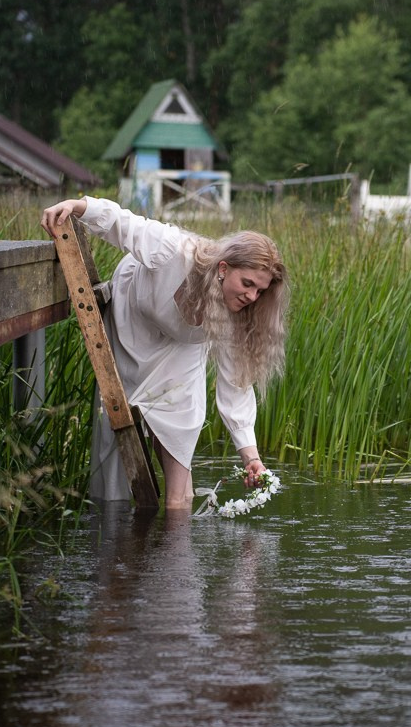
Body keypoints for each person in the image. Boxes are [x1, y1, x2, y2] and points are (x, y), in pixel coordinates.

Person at [41, 196, 288, 510]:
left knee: (184, 415)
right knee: (124, 407)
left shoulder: (238, 310)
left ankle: (176, 519)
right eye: (248, 283)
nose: (252, 296)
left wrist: (251, 457)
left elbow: (236, 385)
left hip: (182, 346)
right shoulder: (174, 251)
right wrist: (76, 206)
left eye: (260, 291)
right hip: (135, 317)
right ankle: (120, 520)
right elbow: (122, 223)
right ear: (223, 268)